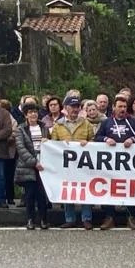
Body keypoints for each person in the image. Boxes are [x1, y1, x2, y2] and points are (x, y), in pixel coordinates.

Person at [94, 95, 135, 231]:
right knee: (109, 188)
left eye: (124, 107)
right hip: (110, 165)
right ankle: (109, 217)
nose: (122, 109)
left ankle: (131, 216)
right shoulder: (106, 123)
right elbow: (96, 138)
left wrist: (132, 140)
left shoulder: (132, 122)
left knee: (129, 188)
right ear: (114, 108)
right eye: (120, 107)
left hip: (129, 164)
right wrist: (106, 139)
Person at [50, 95, 96, 229]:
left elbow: (93, 140)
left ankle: (86, 218)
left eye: (78, 107)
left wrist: (87, 143)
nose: (75, 109)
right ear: (65, 108)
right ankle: (70, 218)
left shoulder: (86, 123)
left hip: (83, 164)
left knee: (85, 189)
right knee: (67, 189)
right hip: (66, 164)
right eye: (73, 107)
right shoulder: (58, 125)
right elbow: (54, 143)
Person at [14, 102, 50, 230]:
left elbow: (51, 145)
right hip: (28, 166)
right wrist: (34, 162)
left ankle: (43, 219)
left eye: (35, 112)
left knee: (42, 194)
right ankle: (30, 219)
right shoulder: (20, 129)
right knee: (29, 195)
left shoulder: (44, 128)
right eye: (30, 112)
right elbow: (21, 149)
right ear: (25, 115)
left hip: (44, 165)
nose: (33, 114)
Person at [0, 99, 18, 206]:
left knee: (9, 175)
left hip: (9, 151)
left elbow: (15, 133)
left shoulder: (12, 119)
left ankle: (10, 197)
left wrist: (4, 138)